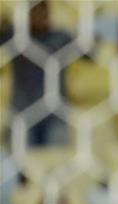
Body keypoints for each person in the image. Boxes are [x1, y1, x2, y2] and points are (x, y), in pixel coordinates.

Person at [0, 1, 74, 146]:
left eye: (43, 12)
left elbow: (91, 53)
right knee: (23, 164)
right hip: (23, 113)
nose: (39, 16)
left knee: (56, 161)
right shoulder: (15, 36)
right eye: (34, 12)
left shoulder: (60, 37)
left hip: (55, 114)